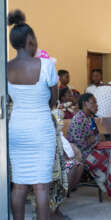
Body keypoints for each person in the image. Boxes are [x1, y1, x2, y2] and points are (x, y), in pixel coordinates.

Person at [8, 10, 58, 220]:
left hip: (17, 129)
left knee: (19, 185)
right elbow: (54, 100)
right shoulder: (46, 66)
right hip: (41, 130)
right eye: (34, 38)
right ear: (30, 40)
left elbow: (8, 100)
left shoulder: (5, 68)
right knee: (41, 188)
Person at [67, 93, 111, 204]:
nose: (96, 105)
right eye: (93, 103)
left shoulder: (89, 118)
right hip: (83, 154)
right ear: (85, 104)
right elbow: (80, 144)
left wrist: (96, 139)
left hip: (93, 149)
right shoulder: (79, 119)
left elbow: (94, 138)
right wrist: (96, 139)